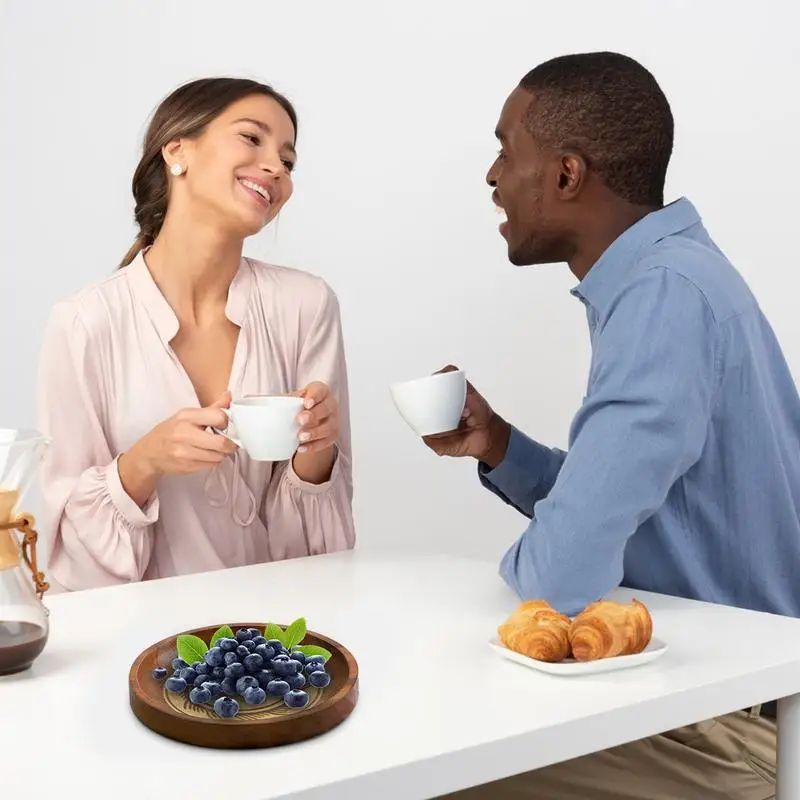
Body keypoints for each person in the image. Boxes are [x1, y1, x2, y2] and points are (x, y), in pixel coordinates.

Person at [427, 52, 800, 799]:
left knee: (423, 772)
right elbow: (648, 508)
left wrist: (551, 545)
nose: (493, 177)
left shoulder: (663, 296)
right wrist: (500, 446)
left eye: (507, 150)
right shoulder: (674, 275)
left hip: (730, 732)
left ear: (566, 175)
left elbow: (562, 576)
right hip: (717, 703)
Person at [37, 77, 355, 591]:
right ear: (177, 151)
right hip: (142, 651)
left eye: (288, 160)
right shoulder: (83, 324)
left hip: (278, 638)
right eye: (252, 138)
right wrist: (144, 463)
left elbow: (323, 557)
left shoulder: (306, 305)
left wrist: (315, 454)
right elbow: (73, 568)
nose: (276, 166)